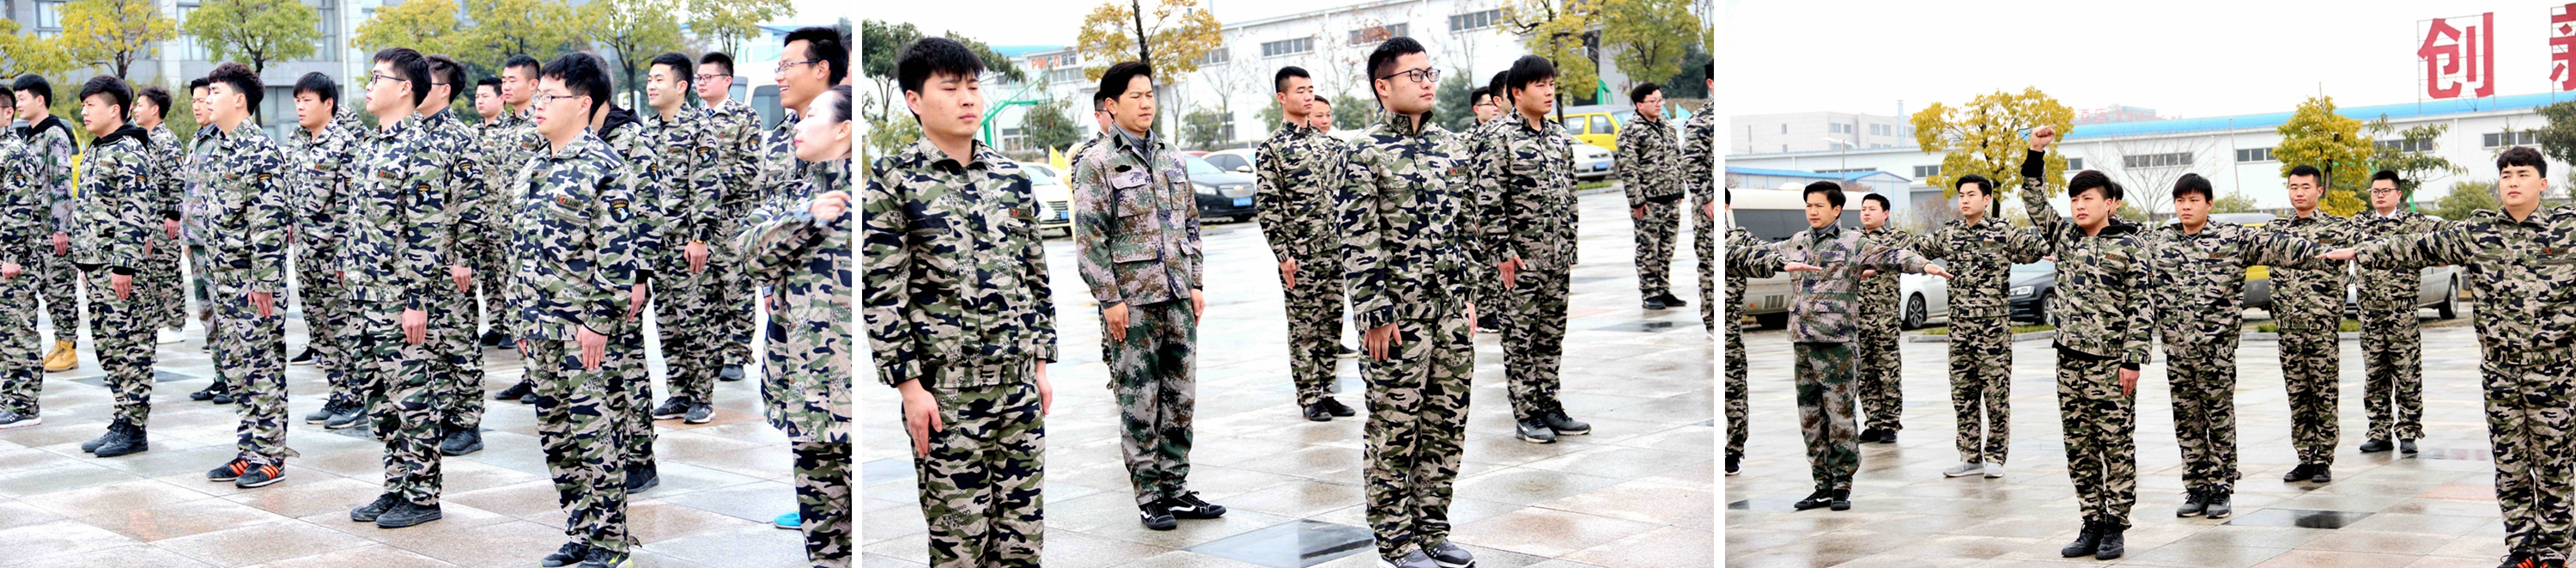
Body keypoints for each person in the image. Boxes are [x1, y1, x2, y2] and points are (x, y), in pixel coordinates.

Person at [2328, 145, 2576, 568]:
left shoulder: (2566, 229)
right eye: (2506, 175)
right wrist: (2360, 252)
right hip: (2499, 369)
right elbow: (2417, 246)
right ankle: (2521, 549)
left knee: (2554, 462)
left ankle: (2554, 552)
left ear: (2543, 183)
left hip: (2553, 370)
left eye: (2522, 174)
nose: (2513, 182)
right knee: (2510, 462)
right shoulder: (2478, 231)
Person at [866, 36, 1052, 567]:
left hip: (1017, 388)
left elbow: (1034, 276)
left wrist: (1040, 364)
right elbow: (882, 291)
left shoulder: (1012, 178)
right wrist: (910, 389)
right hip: (945, 396)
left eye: (973, 86)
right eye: (949, 88)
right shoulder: (894, 181)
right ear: (914, 99)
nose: (967, 98)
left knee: (1022, 541)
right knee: (959, 546)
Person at [1336, 36, 1481, 568]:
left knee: (1446, 424)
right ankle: (1396, 540)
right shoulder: (1362, 152)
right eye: (1414, 74)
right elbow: (1358, 239)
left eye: (1429, 72)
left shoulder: (1452, 146)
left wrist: (1468, 297)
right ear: (1383, 86)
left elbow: (1468, 229)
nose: (1426, 83)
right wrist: (1374, 314)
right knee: (1395, 427)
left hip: (1450, 314)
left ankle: (1433, 529)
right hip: (1397, 320)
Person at [1072, 58, 1221, 532]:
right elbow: (1090, 240)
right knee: (1139, 399)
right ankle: (1149, 494)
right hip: (1132, 304)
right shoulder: (1097, 163)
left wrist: (1196, 282)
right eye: (1135, 96)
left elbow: (1191, 224)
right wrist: (1110, 300)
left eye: (1150, 95)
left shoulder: (1171, 156)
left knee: (1180, 397)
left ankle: (1176, 487)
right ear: (1111, 106)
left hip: (1177, 296)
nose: (1145, 103)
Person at [512, 52, 643, 568]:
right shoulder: (534, 166)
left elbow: (617, 255)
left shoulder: (604, 168)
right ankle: (581, 531)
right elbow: (521, 251)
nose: (538, 105)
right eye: (538, 95)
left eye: (550, 96)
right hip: (539, 326)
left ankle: (611, 544)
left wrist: (598, 322)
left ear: (584, 103)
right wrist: (520, 317)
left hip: (582, 331)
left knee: (594, 434)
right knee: (557, 437)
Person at [2144, 173, 2332, 519]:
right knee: (2187, 423)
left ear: (2209, 203)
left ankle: (2221, 488)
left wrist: (2327, 253)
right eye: (2180, 201)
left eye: (2194, 200)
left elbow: (2279, 247)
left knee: (2219, 421)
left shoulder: (2232, 238)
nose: (2186, 207)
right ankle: (2196, 488)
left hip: (2215, 353)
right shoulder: (2161, 240)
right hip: (2176, 352)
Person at [1763, 180, 1946, 513]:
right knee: (1810, 420)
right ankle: (1821, 485)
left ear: (1836, 210)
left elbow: (1890, 255)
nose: (1812, 211)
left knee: (1840, 418)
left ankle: (1841, 485)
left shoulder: (1852, 242)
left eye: (1819, 205)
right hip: (1802, 343)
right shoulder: (1797, 241)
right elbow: (1763, 254)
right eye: (1808, 205)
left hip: (1837, 346)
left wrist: (1923, 264)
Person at [2020, 126, 2152, 560]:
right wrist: (2036, 152)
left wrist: (2133, 360)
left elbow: (2142, 306)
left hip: (2110, 365)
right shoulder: (2066, 238)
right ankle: (2091, 522)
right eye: (2075, 199)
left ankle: (2115, 526)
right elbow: (2034, 201)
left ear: (2109, 203)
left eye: (2088, 199)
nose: (2079, 206)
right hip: (2069, 364)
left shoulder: (2130, 246)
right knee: (2078, 448)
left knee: (2116, 446)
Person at [343, 47, 459, 531]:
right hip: (364, 296)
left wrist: (416, 301)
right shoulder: (372, 145)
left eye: (378, 78)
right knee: (379, 399)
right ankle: (396, 486)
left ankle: (424, 494)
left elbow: (426, 234)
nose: (369, 86)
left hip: (398, 300)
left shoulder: (421, 148)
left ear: (406, 88)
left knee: (412, 397)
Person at [746, 81, 854, 568]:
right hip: (804, 384)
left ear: (844, 130)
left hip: (852, 390)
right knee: (822, 523)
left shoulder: (876, 196)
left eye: (813, 116)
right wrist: (804, 217)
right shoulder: (794, 195)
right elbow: (749, 257)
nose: (799, 125)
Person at [190, 62, 295, 489]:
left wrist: (265, 284)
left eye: (215, 91)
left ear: (239, 100)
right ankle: (249, 449)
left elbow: (268, 224)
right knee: (236, 369)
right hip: (223, 280)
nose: (207, 98)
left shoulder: (259, 151)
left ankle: (271, 456)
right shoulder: (219, 147)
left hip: (253, 286)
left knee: (261, 367)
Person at [1481, 55, 1590, 444]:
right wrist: (1501, 252)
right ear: (1517, 92)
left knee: (1550, 338)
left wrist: (1569, 246)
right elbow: (1487, 201)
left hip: (1556, 259)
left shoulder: (1558, 136)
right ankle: (1526, 414)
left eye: (1551, 84)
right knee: (1519, 340)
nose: (1548, 92)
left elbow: (1570, 195)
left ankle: (1549, 406)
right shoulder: (1498, 137)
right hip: (1519, 262)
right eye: (1540, 85)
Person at [1905, 174, 2044, 479]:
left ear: (1986, 199)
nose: (1964, 200)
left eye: (1971, 194)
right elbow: (1914, 249)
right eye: (1961, 195)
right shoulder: (1949, 234)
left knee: (1996, 396)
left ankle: (1995, 457)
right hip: (1959, 332)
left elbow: (2037, 247)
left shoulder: (2003, 231)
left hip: (1993, 332)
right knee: (1963, 396)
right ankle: (1969, 457)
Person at [66, 76, 163, 459]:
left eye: (91, 105)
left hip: (120, 270)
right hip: (96, 267)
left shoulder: (130, 151)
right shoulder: (97, 149)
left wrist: (124, 265)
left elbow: (134, 212)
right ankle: (122, 419)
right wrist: (84, 259)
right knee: (110, 349)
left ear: (115, 109)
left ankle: (135, 429)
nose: (84, 112)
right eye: (84, 105)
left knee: (131, 347)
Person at [1254, 65, 1354, 422]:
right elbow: (1269, 205)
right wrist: (1283, 254)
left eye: (1311, 89)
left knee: (1331, 324)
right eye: (1300, 91)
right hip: (1300, 255)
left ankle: (1327, 391)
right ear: (1282, 97)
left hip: (1334, 252)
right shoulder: (1272, 149)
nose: (1308, 96)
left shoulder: (1331, 145)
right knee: (1304, 327)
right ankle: (1309, 396)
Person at [641, 52, 724, 425]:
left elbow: (706, 186)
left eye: (659, 79)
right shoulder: (648, 130)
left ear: (681, 86)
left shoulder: (698, 128)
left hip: (687, 244)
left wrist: (700, 238)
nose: (651, 85)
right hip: (657, 246)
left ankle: (702, 397)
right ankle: (678, 391)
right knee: (667, 322)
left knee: (695, 321)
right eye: (649, 79)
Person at [418, 54, 494, 458]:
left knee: (458, 340)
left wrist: (463, 257)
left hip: (451, 260)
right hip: (420, 260)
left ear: (444, 90)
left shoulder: (458, 138)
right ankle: (443, 412)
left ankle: (467, 422)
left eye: (425, 82)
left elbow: (472, 204)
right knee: (430, 342)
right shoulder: (410, 133)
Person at [2268, 163, 2359, 484]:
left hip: (2322, 330)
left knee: (2324, 394)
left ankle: (2323, 459)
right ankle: (2304, 457)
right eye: (2294, 187)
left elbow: (2368, 249)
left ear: (2319, 190)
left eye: (2305, 187)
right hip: (2288, 329)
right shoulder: (2275, 230)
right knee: (2297, 395)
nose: (2299, 193)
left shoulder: (2339, 228)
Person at [290, 73, 368, 429]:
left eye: (307, 100)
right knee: (320, 330)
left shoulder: (344, 144)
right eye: (297, 100)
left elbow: (349, 207)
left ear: (328, 103)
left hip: (333, 255)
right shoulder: (298, 142)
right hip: (305, 254)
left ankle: (358, 397)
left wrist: (343, 257)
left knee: (344, 330)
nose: (300, 107)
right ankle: (339, 393)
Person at [2354, 169, 2443, 455]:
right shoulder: (2359, 225)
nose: (2379, 196)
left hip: (2402, 315)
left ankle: (2408, 431)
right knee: (2375, 375)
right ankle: (2379, 431)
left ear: (2398, 194)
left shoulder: (2414, 224)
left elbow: (2445, 235)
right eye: (2375, 192)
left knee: (2407, 374)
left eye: (2385, 191)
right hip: (2370, 315)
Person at [15, 75, 79, 374]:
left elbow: (61, 184)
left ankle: (68, 348)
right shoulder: (32, 135)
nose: (18, 104)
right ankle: (60, 343)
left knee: (60, 288)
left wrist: (61, 228)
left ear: (40, 100)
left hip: (52, 230)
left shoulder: (54, 135)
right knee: (48, 290)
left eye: (22, 98)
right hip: (35, 230)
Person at [1617, 82, 1686, 311]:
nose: (1658, 104)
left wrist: (1680, 189)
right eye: (1653, 101)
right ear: (1639, 105)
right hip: (1648, 203)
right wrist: (1636, 200)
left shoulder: (1667, 125)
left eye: (1660, 100)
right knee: (1648, 250)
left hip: (1671, 198)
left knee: (1667, 249)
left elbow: (1677, 158)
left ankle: (1663, 289)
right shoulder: (1631, 130)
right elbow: (1628, 168)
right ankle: (1650, 293)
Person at [1852, 192, 1913, 444]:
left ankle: (1890, 423)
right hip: (1857, 318)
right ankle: (1873, 422)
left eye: (1872, 209)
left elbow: (1909, 258)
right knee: (1864, 373)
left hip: (1884, 318)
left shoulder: (1896, 238)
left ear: (1885, 214)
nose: (1866, 213)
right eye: (1863, 209)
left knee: (1888, 371)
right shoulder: (1853, 239)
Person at [0, 84, 43, 430]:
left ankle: (25, 405)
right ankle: (8, 398)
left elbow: (19, 208)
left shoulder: (15, 152)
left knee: (18, 331)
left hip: (15, 260)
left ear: (7, 113)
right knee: (4, 333)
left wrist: (12, 255)